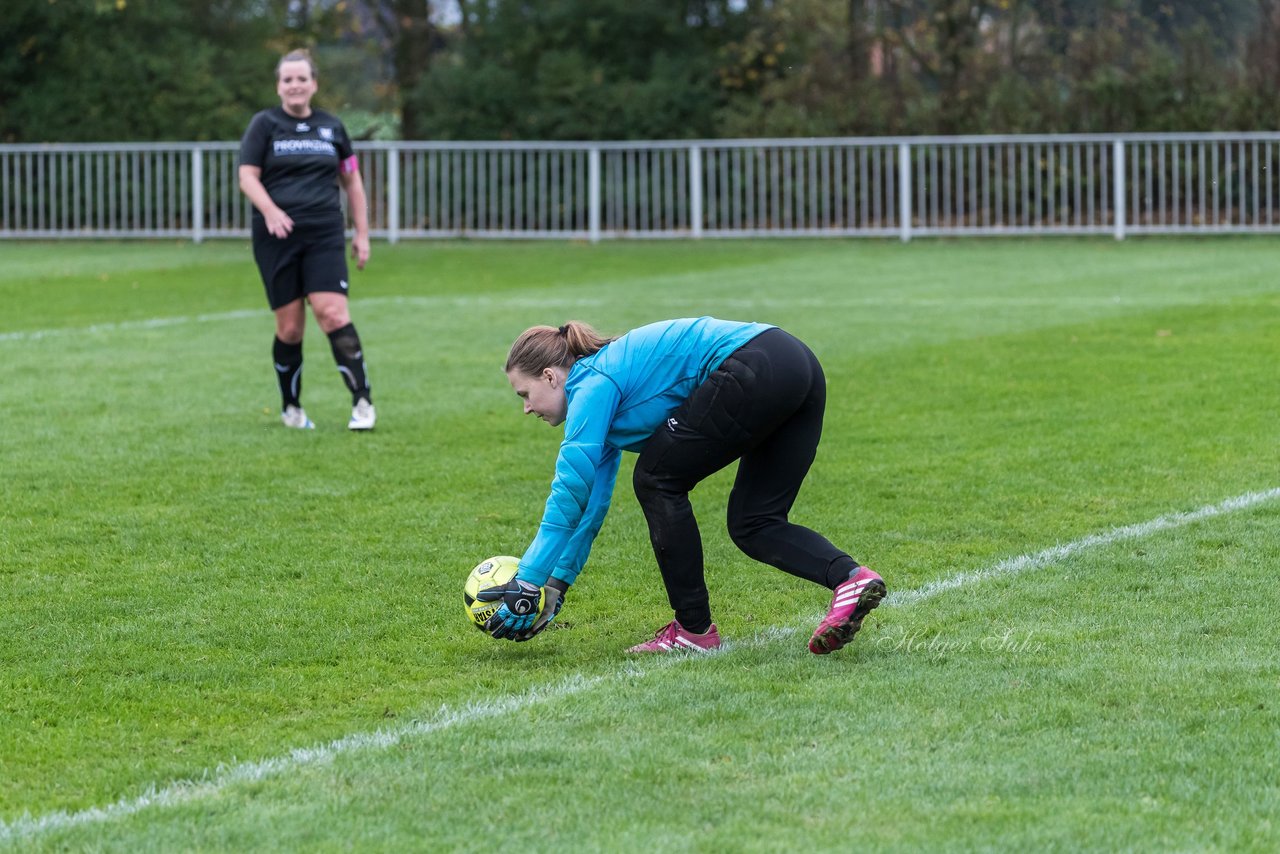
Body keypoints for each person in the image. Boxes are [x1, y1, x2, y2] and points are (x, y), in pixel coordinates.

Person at [477, 317, 886, 655]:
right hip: (795, 364)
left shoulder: (591, 382)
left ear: (550, 376)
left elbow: (569, 490)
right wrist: (554, 585)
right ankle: (850, 579)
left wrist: (528, 578)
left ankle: (693, 631)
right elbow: (589, 506)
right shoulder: (600, 396)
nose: (527, 407)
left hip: (757, 363)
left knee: (656, 479)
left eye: (525, 394)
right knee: (754, 523)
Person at [238, 48, 376, 431]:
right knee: (291, 328)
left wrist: (362, 234)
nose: (295, 85)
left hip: (324, 234)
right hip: (276, 237)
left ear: (313, 84)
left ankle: (362, 402)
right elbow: (247, 176)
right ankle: (291, 407)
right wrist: (271, 211)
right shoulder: (263, 125)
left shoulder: (332, 127)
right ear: (279, 86)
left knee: (332, 313)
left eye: (302, 78)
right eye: (287, 79)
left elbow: (352, 180)